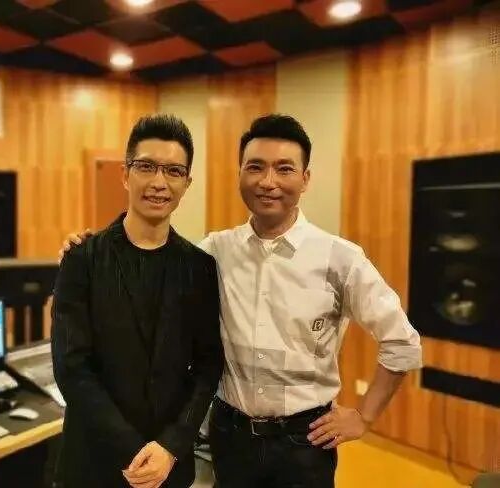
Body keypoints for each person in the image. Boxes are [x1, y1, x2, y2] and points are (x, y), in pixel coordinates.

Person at [59, 113, 422, 487]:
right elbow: (152, 260)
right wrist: (84, 249)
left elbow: (403, 343)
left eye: (284, 169)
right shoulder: (215, 252)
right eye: (256, 167)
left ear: (305, 179)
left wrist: (364, 417)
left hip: (305, 442)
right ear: (240, 175)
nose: (268, 182)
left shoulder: (340, 258)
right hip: (230, 438)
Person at [51, 114, 224, 488]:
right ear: (125, 174)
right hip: (93, 465)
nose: (159, 182)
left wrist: (171, 445)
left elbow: (209, 365)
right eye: (147, 166)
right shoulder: (82, 260)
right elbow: (71, 368)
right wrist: (134, 450)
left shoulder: (200, 268)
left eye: (174, 171)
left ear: (187, 183)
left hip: (168, 467)